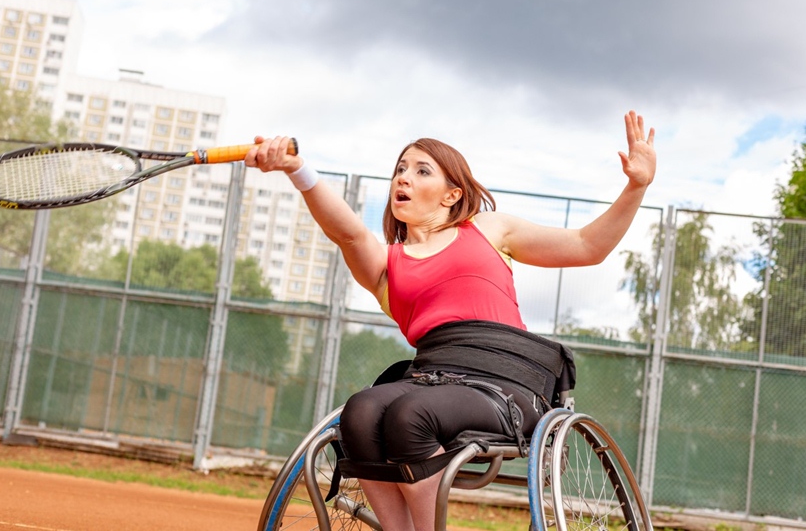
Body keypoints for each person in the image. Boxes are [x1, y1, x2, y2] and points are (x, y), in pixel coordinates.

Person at [245, 110, 656, 531]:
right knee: (361, 410)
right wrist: (299, 170)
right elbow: (350, 233)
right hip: (431, 376)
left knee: (410, 414)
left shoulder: (488, 230)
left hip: (507, 386)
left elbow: (587, 245)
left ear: (451, 194)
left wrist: (635, 186)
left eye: (422, 171)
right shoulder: (388, 266)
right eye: (400, 170)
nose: (403, 178)